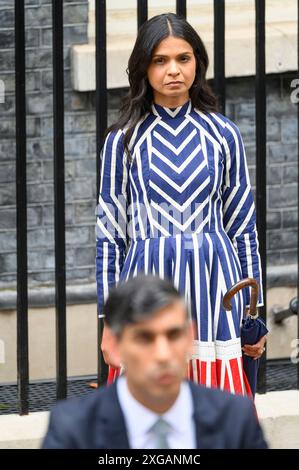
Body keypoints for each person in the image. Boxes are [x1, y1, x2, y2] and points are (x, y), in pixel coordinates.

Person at [96, 13, 266, 394]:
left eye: (183, 58)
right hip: (147, 286)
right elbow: (109, 238)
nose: (173, 70)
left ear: (197, 63)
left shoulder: (224, 135)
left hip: (216, 288)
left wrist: (257, 314)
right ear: (144, 67)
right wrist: (109, 323)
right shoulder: (122, 141)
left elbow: (243, 229)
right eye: (160, 60)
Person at [42, 275, 268, 449]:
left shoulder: (236, 418)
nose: (162, 354)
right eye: (144, 338)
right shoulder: (73, 429)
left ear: (190, 336)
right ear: (115, 344)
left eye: (173, 335)